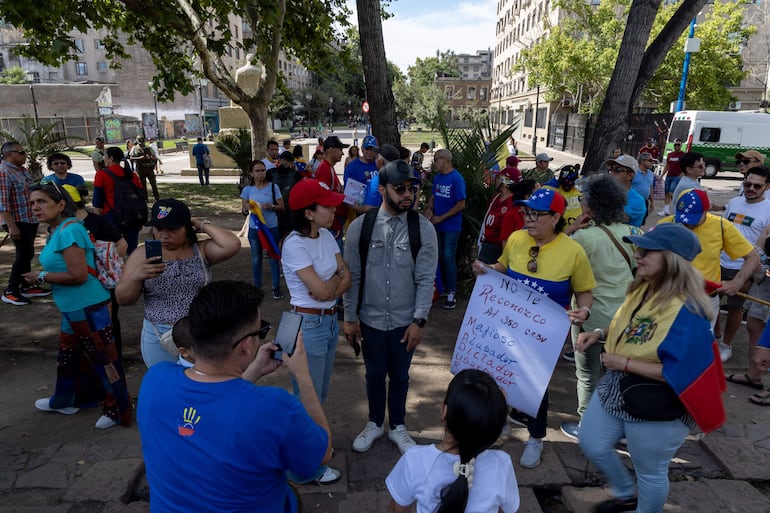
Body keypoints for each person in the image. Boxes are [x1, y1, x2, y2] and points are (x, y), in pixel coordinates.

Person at [137, 280, 334, 511]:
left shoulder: (156, 379)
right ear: (246, 346)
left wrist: (255, 370)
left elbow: (216, 404)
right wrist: (303, 375)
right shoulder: (274, 407)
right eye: (261, 331)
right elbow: (322, 455)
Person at [575, 223, 725, 513]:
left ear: (671, 260)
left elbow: (685, 375)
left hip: (657, 403)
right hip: (619, 385)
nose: (638, 255)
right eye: (639, 249)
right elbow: (633, 326)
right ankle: (625, 494)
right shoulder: (644, 286)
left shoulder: (689, 310)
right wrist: (601, 334)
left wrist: (624, 362)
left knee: (651, 471)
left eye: (647, 252)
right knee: (591, 441)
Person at [472, 187, 595, 469]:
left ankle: (536, 437)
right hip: (506, 327)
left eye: (536, 214)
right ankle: (500, 426)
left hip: (544, 338)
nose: (528, 219)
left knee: (534, 385)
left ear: (555, 217)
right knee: (499, 376)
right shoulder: (516, 240)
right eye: (526, 213)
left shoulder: (573, 251)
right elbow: (502, 266)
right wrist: (486, 268)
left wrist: (584, 310)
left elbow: (585, 291)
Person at [344, 160, 439, 455]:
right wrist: (349, 318)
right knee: (373, 374)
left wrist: (419, 321)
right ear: (383, 189)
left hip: (404, 323)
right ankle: (374, 423)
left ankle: (398, 426)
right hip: (370, 321)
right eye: (400, 189)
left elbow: (425, 279)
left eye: (412, 188)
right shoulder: (361, 227)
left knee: (400, 376)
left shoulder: (422, 229)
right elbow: (353, 276)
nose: (407, 194)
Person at [24, 182, 131, 429]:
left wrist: (41, 277)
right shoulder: (57, 229)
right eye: (32, 203)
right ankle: (65, 400)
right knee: (68, 357)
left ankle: (119, 410)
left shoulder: (69, 230)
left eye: (42, 202)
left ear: (61, 205)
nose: (36, 208)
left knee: (105, 359)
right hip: (73, 307)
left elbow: (79, 275)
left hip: (89, 306)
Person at [558, 174, 641, 440]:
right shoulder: (635, 233)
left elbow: (555, 257)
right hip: (626, 319)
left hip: (591, 316)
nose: (580, 202)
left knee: (587, 374)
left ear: (592, 207)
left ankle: (588, 426)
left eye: (583, 199)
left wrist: (570, 230)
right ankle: (622, 427)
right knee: (621, 375)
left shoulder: (583, 238)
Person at [281, 178, 351, 484]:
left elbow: (342, 278)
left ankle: (313, 450)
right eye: (327, 205)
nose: (334, 209)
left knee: (317, 393)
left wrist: (330, 289)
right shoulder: (294, 244)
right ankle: (304, 467)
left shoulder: (327, 235)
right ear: (309, 213)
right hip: (306, 324)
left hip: (328, 320)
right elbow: (323, 289)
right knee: (306, 396)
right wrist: (332, 287)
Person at [116, 198, 240, 367]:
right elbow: (123, 299)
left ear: (186, 228)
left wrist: (200, 224)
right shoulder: (142, 254)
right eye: (159, 228)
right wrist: (136, 277)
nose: (164, 235)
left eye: (172, 229)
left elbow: (232, 244)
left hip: (198, 332)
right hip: (158, 334)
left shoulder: (200, 250)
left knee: (199, 384)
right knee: (166, 385)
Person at [386, 369, 520, 513]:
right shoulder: (501, 464)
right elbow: (505, 510)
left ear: (444, 410)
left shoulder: (414, 460)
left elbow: (397, 509)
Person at [659, 189, 758, 334]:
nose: (687, 224)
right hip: (670, 296)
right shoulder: (665, 225)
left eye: (693, 218)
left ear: (706, 210)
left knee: (698, 344)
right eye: (683, 217)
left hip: (704, 300)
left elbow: (753, 257)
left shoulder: (721, 226)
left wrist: (737, 282)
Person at [63, 184, 128, 358]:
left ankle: (115, 358)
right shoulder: (63, 227)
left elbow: (122, 244)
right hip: (78, 286)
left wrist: (108, 266)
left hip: (102, 284)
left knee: (108, 320)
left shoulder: (96, 222)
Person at [716, 166, 770, 362]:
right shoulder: (734, 202)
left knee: (734, 307)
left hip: (744, 267)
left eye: (757, 186)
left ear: (767, 187)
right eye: (748, 184)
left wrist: (755, 269)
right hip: (719, 262)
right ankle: (715, 338)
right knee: (712, 303)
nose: (751, 188)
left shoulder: (769, 209)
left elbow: (764, 244)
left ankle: (726, 345)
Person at [1, 141, 52, 306]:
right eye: (21, 152)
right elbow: (2, 203)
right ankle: (11, 291)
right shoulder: (4, 172)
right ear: (9, 154)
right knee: (23, 255)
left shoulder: (22, 170)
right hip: (16, 221)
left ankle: (26, 285)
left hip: (29, 219)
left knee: (28, 253)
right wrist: (11, 225)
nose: (25, 155)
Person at [426, 149, 466, 310]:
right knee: (439, 256)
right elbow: (433, 196)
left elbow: (461, 204)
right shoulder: (437, 178)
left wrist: (442, 217)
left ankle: (452, 292)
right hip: (437, 224)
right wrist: (429, 209)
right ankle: (441, 288)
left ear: (445, 160)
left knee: (448, 256)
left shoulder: (456, 179)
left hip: (451, 226)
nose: (434, 163)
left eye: (436, 160)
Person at [240, 160, 285, 299]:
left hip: (271, 227)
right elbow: (243, 210)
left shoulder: (273, 187)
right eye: (257, 171)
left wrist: (271, 207)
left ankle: (276, 286)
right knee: (256, 258)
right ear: (251, 174)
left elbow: (282, 207)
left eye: (263, 170)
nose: (260, 174)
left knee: (273, 257)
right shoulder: (247, 190)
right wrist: (247, 209)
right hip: (255, 229)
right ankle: (257, 286)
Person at [92, 146, 144, 254]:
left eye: (105, 156)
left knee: (111, 252)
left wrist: (96, 223)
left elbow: (97, 202)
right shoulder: (132, 175)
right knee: (132, 250)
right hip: (132, 216)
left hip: (111, 217)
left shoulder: (101, 175)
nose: (103, 159)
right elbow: (141, 196)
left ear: (110, 158)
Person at [478, 166, 522, 264]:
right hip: (486, 243)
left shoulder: (513, 203)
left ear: (505, 182)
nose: (495, 180)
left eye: (498, 178)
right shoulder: (496, 197)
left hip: (498, 247)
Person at [314, 136, 349, 244]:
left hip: (336, 220)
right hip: (332, 223)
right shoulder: (324, 168)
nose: (342, 154)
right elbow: (322, 198)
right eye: (340, 150)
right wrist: (334, 224)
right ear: (330, 150)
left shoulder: (329, 167)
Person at [605, 154, 646, 227]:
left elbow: (611, 219)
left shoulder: (637, 200)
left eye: (617, 170)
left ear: (630, 175)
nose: (612, 173)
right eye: (611, 169)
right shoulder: (608, 192)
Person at [344, 135, 380, 214]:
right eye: (367, 149)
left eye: (373, 149)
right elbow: (349, 196)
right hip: (362, 211)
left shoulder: (380, 163)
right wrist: (363, 209)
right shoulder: (353, 167)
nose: (370, 152)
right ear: (362, 149)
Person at [658, 139, 684, 216]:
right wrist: (662, 175)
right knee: (666, 193)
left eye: (678, 145)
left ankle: (677, 209)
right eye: (675, 145)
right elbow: (667, 166)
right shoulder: (670, 155)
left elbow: (685, 166)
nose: (676, 146)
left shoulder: (683, 155)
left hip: (677, 176)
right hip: (669, 176)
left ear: (681, 146)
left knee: (672, 192)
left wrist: (681, 174)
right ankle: (666, 210)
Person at [130, 137, 160, 202]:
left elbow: (154, 157)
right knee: (143, 185)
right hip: (141, 169)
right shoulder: (135, 148)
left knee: (153, 184)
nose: (142, 144)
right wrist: (139, 158)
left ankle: (157, 198)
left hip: (149, 169)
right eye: (141, 143)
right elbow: (131, 157)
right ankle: (145, 199)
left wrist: (150, 158)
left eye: (143, 143)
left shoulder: (148, 148)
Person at [633, 152, 656, 223]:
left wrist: (652, 202)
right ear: (642, 161)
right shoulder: (634, 172)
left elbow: (650, 187)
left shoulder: (650, 173)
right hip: (633, 201)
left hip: (644, 202)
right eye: (650, 160)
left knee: (641, 221)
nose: (652, 163)